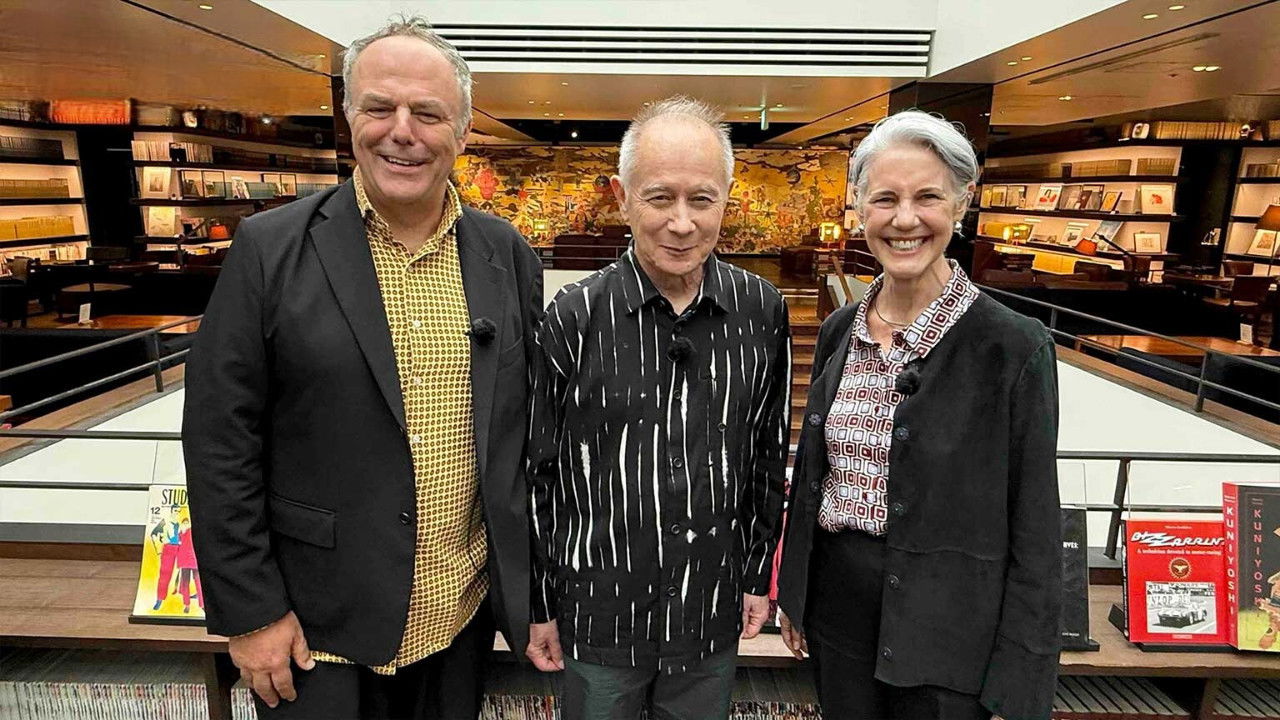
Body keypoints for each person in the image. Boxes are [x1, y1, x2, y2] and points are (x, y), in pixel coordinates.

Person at [183, 15, 543, 720]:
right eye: (380, 108)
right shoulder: (269, 250)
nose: (401, 132)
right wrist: (251, 612)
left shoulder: (506, 255)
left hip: (460, 620)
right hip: (315, 635)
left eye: (428, 114)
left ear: (462, 132)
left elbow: (521, 433)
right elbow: (219, 439)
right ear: (349, 118)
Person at [776, 110, 1062, 720]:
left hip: (953, 630)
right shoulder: (839, 330)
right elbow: (816, 476)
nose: (905, 219)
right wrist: (795, 594)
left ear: (962, 203)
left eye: (927, 197)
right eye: (885, 198)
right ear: (859, 208)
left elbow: (1035, 522)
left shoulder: (1012, 346)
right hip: (839, 613)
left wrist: (1021, 675)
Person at [525, 96, 792, 720]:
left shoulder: (761, 311)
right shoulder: (573, 316)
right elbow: (540, 473)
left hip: (709, 607)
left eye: (702, 199)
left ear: (727, 200)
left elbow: (765, 454)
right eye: (659, 198)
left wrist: (757, 575)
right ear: (622, 198)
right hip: (599, 611)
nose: (682, 222)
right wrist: (540, 601)